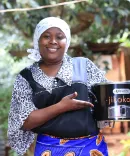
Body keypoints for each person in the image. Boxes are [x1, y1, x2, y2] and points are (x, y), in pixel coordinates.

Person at [8, 17, 109, 156]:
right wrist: (61, 107)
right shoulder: (26, 77)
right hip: (50, 150)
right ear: (37, 39)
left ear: (66, 41)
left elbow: (107, 97)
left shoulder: (84, 65)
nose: (53, 41)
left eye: (60, 37)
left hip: (91, 148)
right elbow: (25, 121)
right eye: (46, 36)